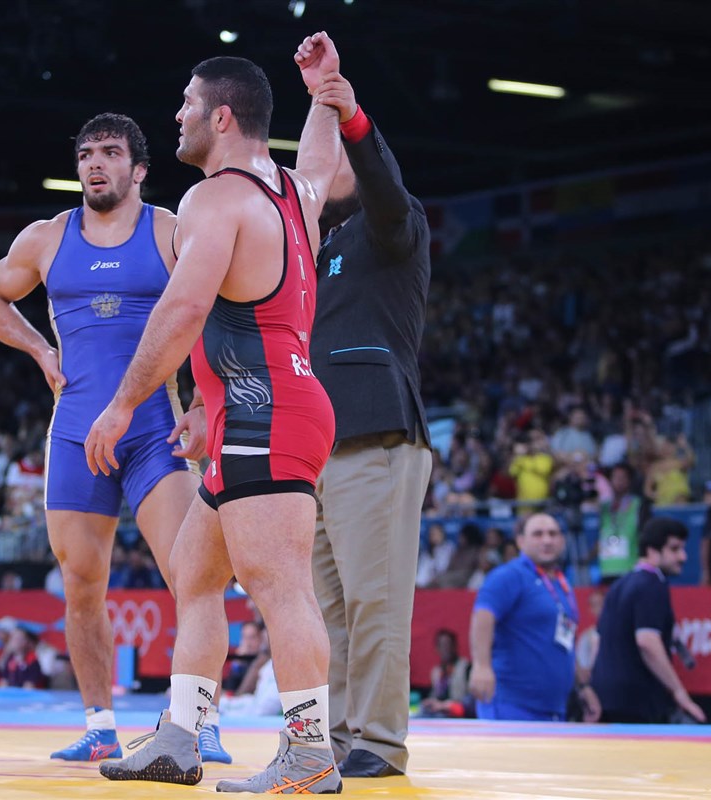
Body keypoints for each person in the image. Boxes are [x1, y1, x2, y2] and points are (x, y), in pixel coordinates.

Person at [85, 45, 343, 793]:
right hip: (262, 406)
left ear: (221, 117)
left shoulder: (215, 198)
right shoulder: (294, 190)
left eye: (188, 104)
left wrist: (124, 404)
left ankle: (310, 755)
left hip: (267, 412)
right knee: (196, 576)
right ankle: (180, 737)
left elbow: (185, 308)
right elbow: (321, 162)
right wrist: (324, 94)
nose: (177, 115)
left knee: (280, 585)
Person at [0, 113, 228, 763]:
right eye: (86, 153)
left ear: (138, 169)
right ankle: (99, 726)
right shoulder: (46, 237)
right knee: (81, 582)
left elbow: (215, 308)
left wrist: (203, 402)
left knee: (190, 576)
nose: (94, 163)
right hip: (75, 433)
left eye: (110, 152)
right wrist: (38, 349)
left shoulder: (169, 229)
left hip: (154, 430)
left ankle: (201, 720)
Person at [302, 52, 431, 776]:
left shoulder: (392, 224)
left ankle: (379, 740)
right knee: (328, 610)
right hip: (315, 444)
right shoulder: (317, 250)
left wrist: (348, 117)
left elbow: (385, 189)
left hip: (374, 433)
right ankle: (340, 737)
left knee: (374, 600)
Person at [468, 513, 601, 722]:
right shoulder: (509, 575)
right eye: (538, 534)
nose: (547, 540)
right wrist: (481, 666)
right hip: (511, 705)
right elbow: (483, 616)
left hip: (554, 709)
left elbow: (564, 640)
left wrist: (582, 687)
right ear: (521, 541)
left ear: (562, 541)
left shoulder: (562, 583)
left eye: (553, 534)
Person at [591, 517, 706, 724]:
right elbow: (647, 642)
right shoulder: (652, 585)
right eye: (675, 549)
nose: (683, 557)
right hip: (638, 702)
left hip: (606, 699)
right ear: (652, 551)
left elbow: (596, 642)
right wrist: (679, 692)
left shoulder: (618, 585)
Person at [419, 628, 471, 719]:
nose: (445, 649)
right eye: (442, 645)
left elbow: (471, 701)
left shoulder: (466, 667)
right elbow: (435, 695)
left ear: (455, 646)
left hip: (460, 714)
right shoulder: (436, 671)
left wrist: (447, 706)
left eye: (448, 644)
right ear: (436, 648)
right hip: (440, 714)